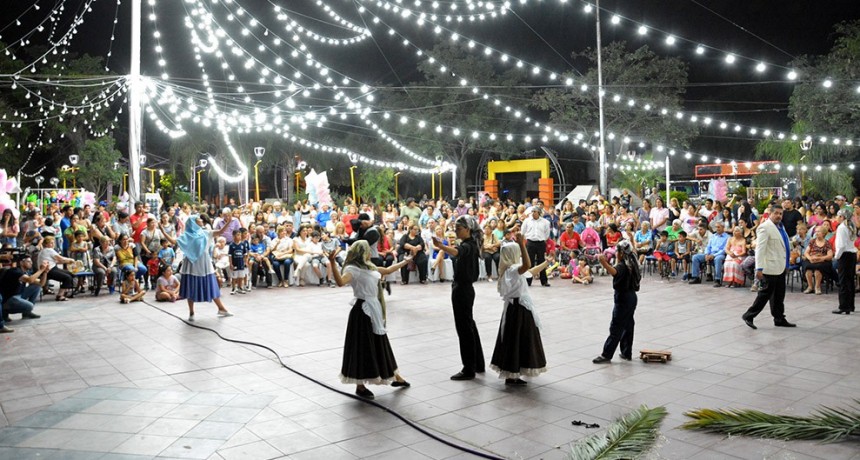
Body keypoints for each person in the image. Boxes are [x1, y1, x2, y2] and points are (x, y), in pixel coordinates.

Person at [327, 242, 411, 400]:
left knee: (380, 342)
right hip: (363, 310)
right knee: (363, 346)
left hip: (373, 308)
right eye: (368, 250)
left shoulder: (370, 267)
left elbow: (387, 270)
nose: (371, 252)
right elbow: (340, 282)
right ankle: (360, 385)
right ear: (363, 252)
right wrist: (332, 262)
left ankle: (396, 376)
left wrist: (405, 261)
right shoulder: (353, 270)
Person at [489, 232, 547, 385]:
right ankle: (512, 373)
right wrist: (522, 244)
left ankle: (515, 371)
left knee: (518, 341)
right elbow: (527, 266)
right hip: (518, 309)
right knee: (516, 341)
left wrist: (546, 263)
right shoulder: (512, 271)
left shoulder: (512, 270)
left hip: (518, 308)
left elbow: (530, 271)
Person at [433, 215, 485, 381]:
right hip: (464, 288)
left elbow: (457, 252)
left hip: (463, 289)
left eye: (458, 229)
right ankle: (478, 363)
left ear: (468, 229)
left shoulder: (468, 245)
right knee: (469, 325)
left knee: (464, 328)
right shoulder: (471, 244)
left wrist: (441, 246)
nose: (456, 231)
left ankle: (468, 368)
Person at [742, 205, 796, 329]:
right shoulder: (764, 228)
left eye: (781, 213)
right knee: (764, 294)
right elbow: (760, 249)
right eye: (776, 213)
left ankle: (779, 318)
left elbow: (783, 246)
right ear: (770, 214)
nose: (779, 216)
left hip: (781, 266)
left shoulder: (781, 227)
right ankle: (749, 315)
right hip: (769, 267)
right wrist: (759, 268)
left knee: (779, 295)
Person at [593, 240, 641, 364]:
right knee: (628, 325)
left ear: (621, 253)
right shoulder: (631, 262)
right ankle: (626, 352)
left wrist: (603, 263)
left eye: (617, 251)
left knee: (616, 326)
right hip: (631, 297)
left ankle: (606, 354)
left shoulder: (623, 265)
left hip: (623, 299)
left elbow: (615, 272)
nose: (615, 253)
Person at [177, 216, 233, 321]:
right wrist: (162, 230)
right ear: (193, 222)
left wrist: (228, 222)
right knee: (191, 286)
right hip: (191, 264)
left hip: (204, 263)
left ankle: (221, 308)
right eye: (199, 219)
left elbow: (220, 231)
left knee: (211, 285)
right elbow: (174, 241)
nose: (201, 220)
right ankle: (191, 312)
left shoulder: (206, 232)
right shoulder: (186, 235)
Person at [0, 254, 46, 324]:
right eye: (28, 261)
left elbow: (41, 283)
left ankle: (26, 314)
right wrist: (41, 270)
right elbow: (30, 280)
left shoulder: (25, 272)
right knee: (29, 306)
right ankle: (4, 311)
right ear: (21, 263)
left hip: (17, 295)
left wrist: (45, 272)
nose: (31, 263)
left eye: (31, 262)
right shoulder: (15, 271)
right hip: (8, 299)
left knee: (36, 287)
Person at [688, 222, 729, 286]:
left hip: (719, 254)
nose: (717, 229)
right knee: (695, 257)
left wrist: (713, 255)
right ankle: (695, 277)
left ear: (723, 227)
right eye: (716, 227)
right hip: (710, 254)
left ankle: (717, 279)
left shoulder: (727, 237)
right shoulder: (713, 236)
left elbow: (724, 250)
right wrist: (707, 254)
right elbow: (708, 246)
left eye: (718, 227)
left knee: (718, 259)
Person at [37, 236, 76, 301]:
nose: (53, 244)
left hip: (52, 268)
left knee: (71, 274)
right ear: (46, 244)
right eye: (51, 243)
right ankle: (60, 295)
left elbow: (56, 261)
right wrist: (71, 259)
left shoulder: (44, 251)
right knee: (67, 277)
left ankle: (64, 291)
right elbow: (61, 258)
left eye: (53, 243)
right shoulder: (48, 250)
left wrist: (67, 261)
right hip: (48, 271)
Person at [833, 208, 857, 315]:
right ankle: (850, 305)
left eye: (838, 216)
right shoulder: (852, 226)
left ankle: (843, 306)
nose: (837, 218)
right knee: (850, 280)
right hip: (852, 254)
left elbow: (841, 245)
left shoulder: (842, 227)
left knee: (843, 281)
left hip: (844, 255)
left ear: (842, 217)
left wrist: (837, 256)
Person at [521, 207, 551, 287]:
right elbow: (523, 232)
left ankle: (544, 281)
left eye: (535, 211)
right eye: (532, 211)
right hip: (530, 242)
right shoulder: (527, 221)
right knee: (529, 262)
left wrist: (543, 239)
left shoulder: (545, 222)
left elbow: (547, 234)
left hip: (541, 242)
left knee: (541, 261)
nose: (533, 213)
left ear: (539, 212)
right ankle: (528, 281)